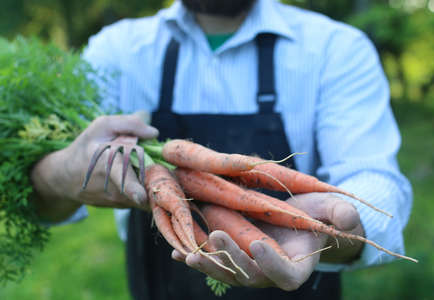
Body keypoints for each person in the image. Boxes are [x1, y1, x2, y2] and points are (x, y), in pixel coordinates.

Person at [30, 0, 413, 299]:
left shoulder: (336, 48)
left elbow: (374, 178)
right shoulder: (116, 51)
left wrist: (332, 230)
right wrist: (59, 173)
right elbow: (41, 191)